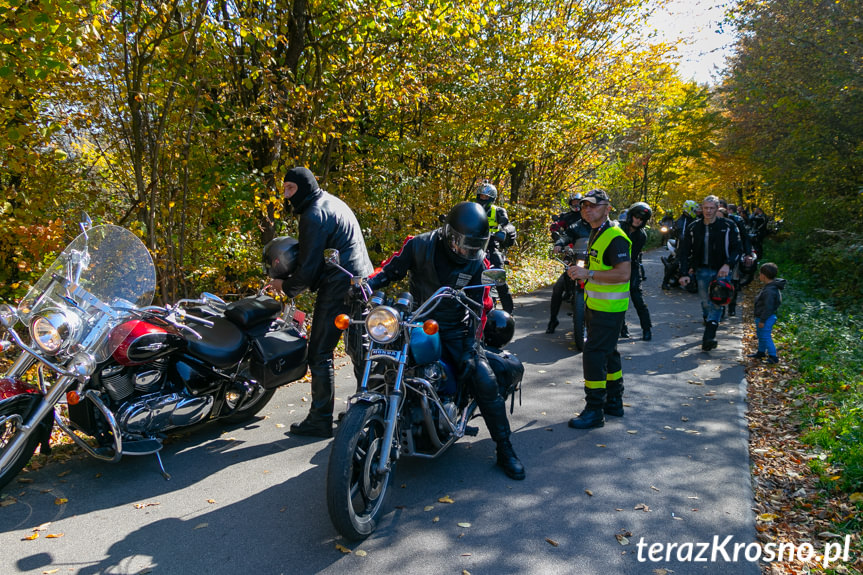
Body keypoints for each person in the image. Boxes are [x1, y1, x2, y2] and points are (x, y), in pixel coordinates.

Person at [366, 201, 525, 480]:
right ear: (449, 234)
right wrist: (365, 285)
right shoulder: (418, 245)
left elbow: (480, 307)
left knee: (484, 380)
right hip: (416, 320)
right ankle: (364, 423)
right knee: (381, 366)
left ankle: (504, 448)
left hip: (453, 328)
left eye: (474, 246)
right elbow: (390, 270)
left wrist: (469, 348)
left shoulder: (478, 261)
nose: (468, 251)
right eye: (464, 244)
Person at [269, 167, 374, 438]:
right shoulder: (332, 201)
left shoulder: (313, 215)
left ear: (304, 187)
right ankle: (369, 410)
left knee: (320, 352)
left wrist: (286, 287)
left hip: (340, 285)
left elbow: (308, 267)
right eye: (285, 189)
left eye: (290, 189)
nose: (287, 195)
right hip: (362, 280)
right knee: (358, 348)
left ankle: (320, 419)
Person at [566, 189, 632, 429]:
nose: (587, 209)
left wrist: (589, 273)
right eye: (584, 205)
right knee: (609, 353)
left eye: (593, 205)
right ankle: (614, 402)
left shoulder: (615, 236)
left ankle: (594, 410)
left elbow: (624, 273)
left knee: (593, 354)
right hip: (597, 305)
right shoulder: (597, 231)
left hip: (609, 309)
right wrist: (580, 271)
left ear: (607, 208)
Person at [677, 195, 743, 351]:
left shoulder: (728, 226)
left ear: (717, 208)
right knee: (706, 302)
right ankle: (709, 320)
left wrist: (728, 265)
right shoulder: (694, 227)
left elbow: (737, 248)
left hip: (721, 271)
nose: (708, 211)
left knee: (717, 301)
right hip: (701, 270)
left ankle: (709, 336)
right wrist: (684, 272)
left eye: (712, 208)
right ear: (702, 208)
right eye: (705, 208)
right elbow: (684, 251)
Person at [546, 215, 592, 333]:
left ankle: (621, 326)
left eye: (592, 207)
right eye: (585, 208)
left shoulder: (601, 226)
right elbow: (566, 236)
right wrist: (559, 243)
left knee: (609, 290)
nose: (589, 211)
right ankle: (553, 320)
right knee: (557, 288)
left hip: (595, 264)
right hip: (578, 261)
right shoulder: (576, 225)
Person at [475, 182, 515, 314]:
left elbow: (507, 224)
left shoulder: (497, 211)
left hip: (491, 245)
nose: (482, 199)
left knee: (499, 275)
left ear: (492, 198)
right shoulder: (473, 209)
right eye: (481, 196)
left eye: (486, 197)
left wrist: (504, 231)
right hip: (473, 245)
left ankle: (508, 312)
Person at [619, 202, 653, 341]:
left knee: (637, 298)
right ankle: (622, 328)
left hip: (632, 266)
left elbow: (632, 256)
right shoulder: (618, 227)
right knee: (618, 298)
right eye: (636, 216)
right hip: (614, 265)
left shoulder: (641, 235)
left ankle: (647, 329)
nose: (638, 220)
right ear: (631, 216)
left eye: (641, 218)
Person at [749, 262, 785, 365]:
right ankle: (761, 352)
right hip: (762, 317)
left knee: (765, 336)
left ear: (763, 276)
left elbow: (768, 307)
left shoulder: (770, 290)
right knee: (761, 335)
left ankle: (773, 356)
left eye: (759, 273)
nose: (759, 275)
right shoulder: (770, 286)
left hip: (766, 318)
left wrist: (762, 320)